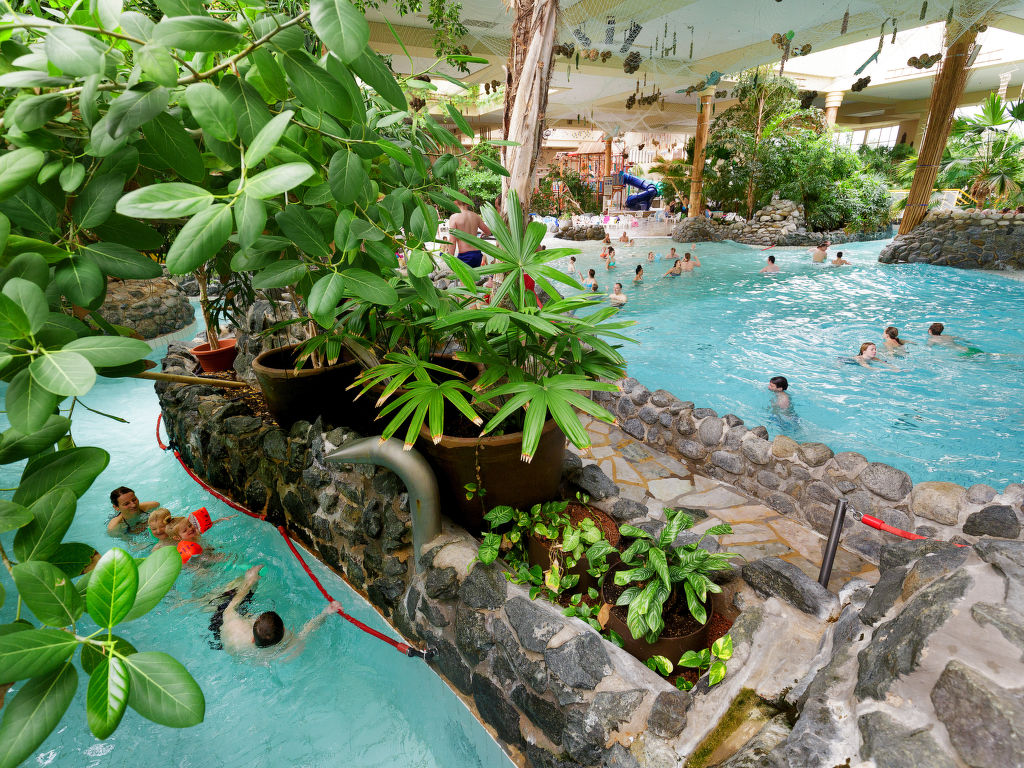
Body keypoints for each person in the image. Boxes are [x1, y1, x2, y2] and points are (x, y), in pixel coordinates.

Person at [212, 565, 341, 656]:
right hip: (245, 653)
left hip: (225, 639)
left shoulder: (236, 628)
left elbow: (230, 608)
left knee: (231, 593)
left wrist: (250, 581)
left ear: (253, 639)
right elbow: (307, 631)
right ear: (283, 630)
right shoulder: (283, 648)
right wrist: (326, 612)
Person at [447, 191, 491, 268]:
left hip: (465, 255)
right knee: (474, 275)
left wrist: (450, 259)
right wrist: (483, 233)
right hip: (477, 254)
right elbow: (488, 232)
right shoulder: (475, 216)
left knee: (463, 276)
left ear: (456, 201)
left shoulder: (454, 217)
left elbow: (452, 241)